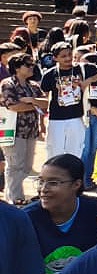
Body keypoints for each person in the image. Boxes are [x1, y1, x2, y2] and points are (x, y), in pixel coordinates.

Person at [39, 43, 97, 161]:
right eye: (63, 56)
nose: (68, 58)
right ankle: (55, 178)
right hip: (56, 119)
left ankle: (73, 178)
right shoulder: (49, 74)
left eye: (70, 54)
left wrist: (90, 80)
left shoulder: (82, 68)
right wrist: (41, 123)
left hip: (76, 118)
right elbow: (44, 97)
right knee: (54, 153)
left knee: (75, 153)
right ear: (55, 58)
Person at [2, 53, 48, 203]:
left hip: (31, 131)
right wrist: (34, 105)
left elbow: (47, 103)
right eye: (28, 65)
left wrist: (31, 101)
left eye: (33, 64)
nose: (31, 67)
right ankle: (16, 198)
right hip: (12, 130)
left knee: (27, 166)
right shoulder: (7, 84)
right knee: (15, 165)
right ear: (16, 67)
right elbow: (13, 106)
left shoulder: (33, 86)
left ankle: (11, 195)